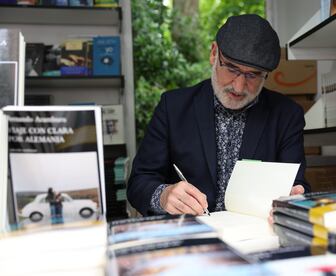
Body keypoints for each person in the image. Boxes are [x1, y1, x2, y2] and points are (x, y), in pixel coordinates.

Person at [128, 14, 310, 217]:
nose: (239, 87)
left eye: (253, 75)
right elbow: (139, 182)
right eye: (232, 68)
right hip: (189, 235)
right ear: (214, 54)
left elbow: (297, 185)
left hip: (256, 236)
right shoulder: (173, 107)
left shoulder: (286, 115)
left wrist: (295, 198)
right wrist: (163, 196)